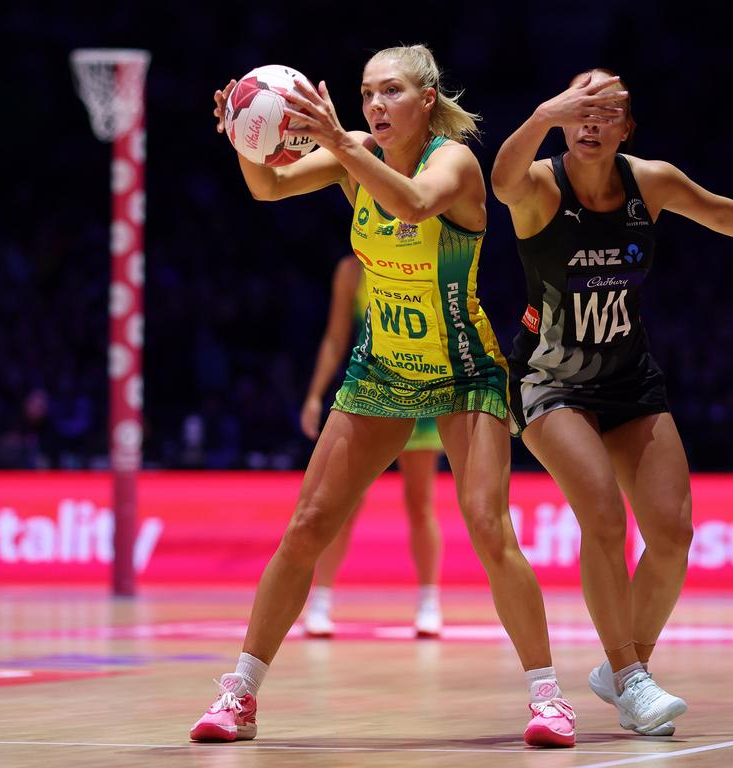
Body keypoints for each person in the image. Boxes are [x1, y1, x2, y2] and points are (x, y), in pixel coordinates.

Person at [191, 45, 576, 747]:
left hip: (464, 370)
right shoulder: (356, 151)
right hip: (382, 370)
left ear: (426, 99)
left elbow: (414, 203)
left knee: (489, 528)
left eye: (390, 92)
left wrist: (341, 142)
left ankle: (548, 699)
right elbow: (267, 190)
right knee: (308, 525)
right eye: (368, 94)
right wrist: (247, 134)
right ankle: (239, 695)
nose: (375, 106)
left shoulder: (452, 162)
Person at [491, 69, 733, 736]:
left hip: (628, 375)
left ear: (628, 128)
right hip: (547, 379)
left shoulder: (648, 181)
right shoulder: (539, 184)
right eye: (580, 111)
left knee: (674, 534)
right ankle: (630, 677)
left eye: (608, 112)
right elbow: (500, 180)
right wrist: (542, 111)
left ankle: (629, 670)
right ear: (565, 120)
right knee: (600, 511)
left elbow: (719, 210)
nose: (591, 122)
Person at [299, 253, 444, 638]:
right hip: (370, 393)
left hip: (421, 391)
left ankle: (429, 601)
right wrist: (315, 395)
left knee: (419, 503)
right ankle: (321, 600)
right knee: (343, 503)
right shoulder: (350, 271)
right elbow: (335, 337)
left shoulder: (423, 261)